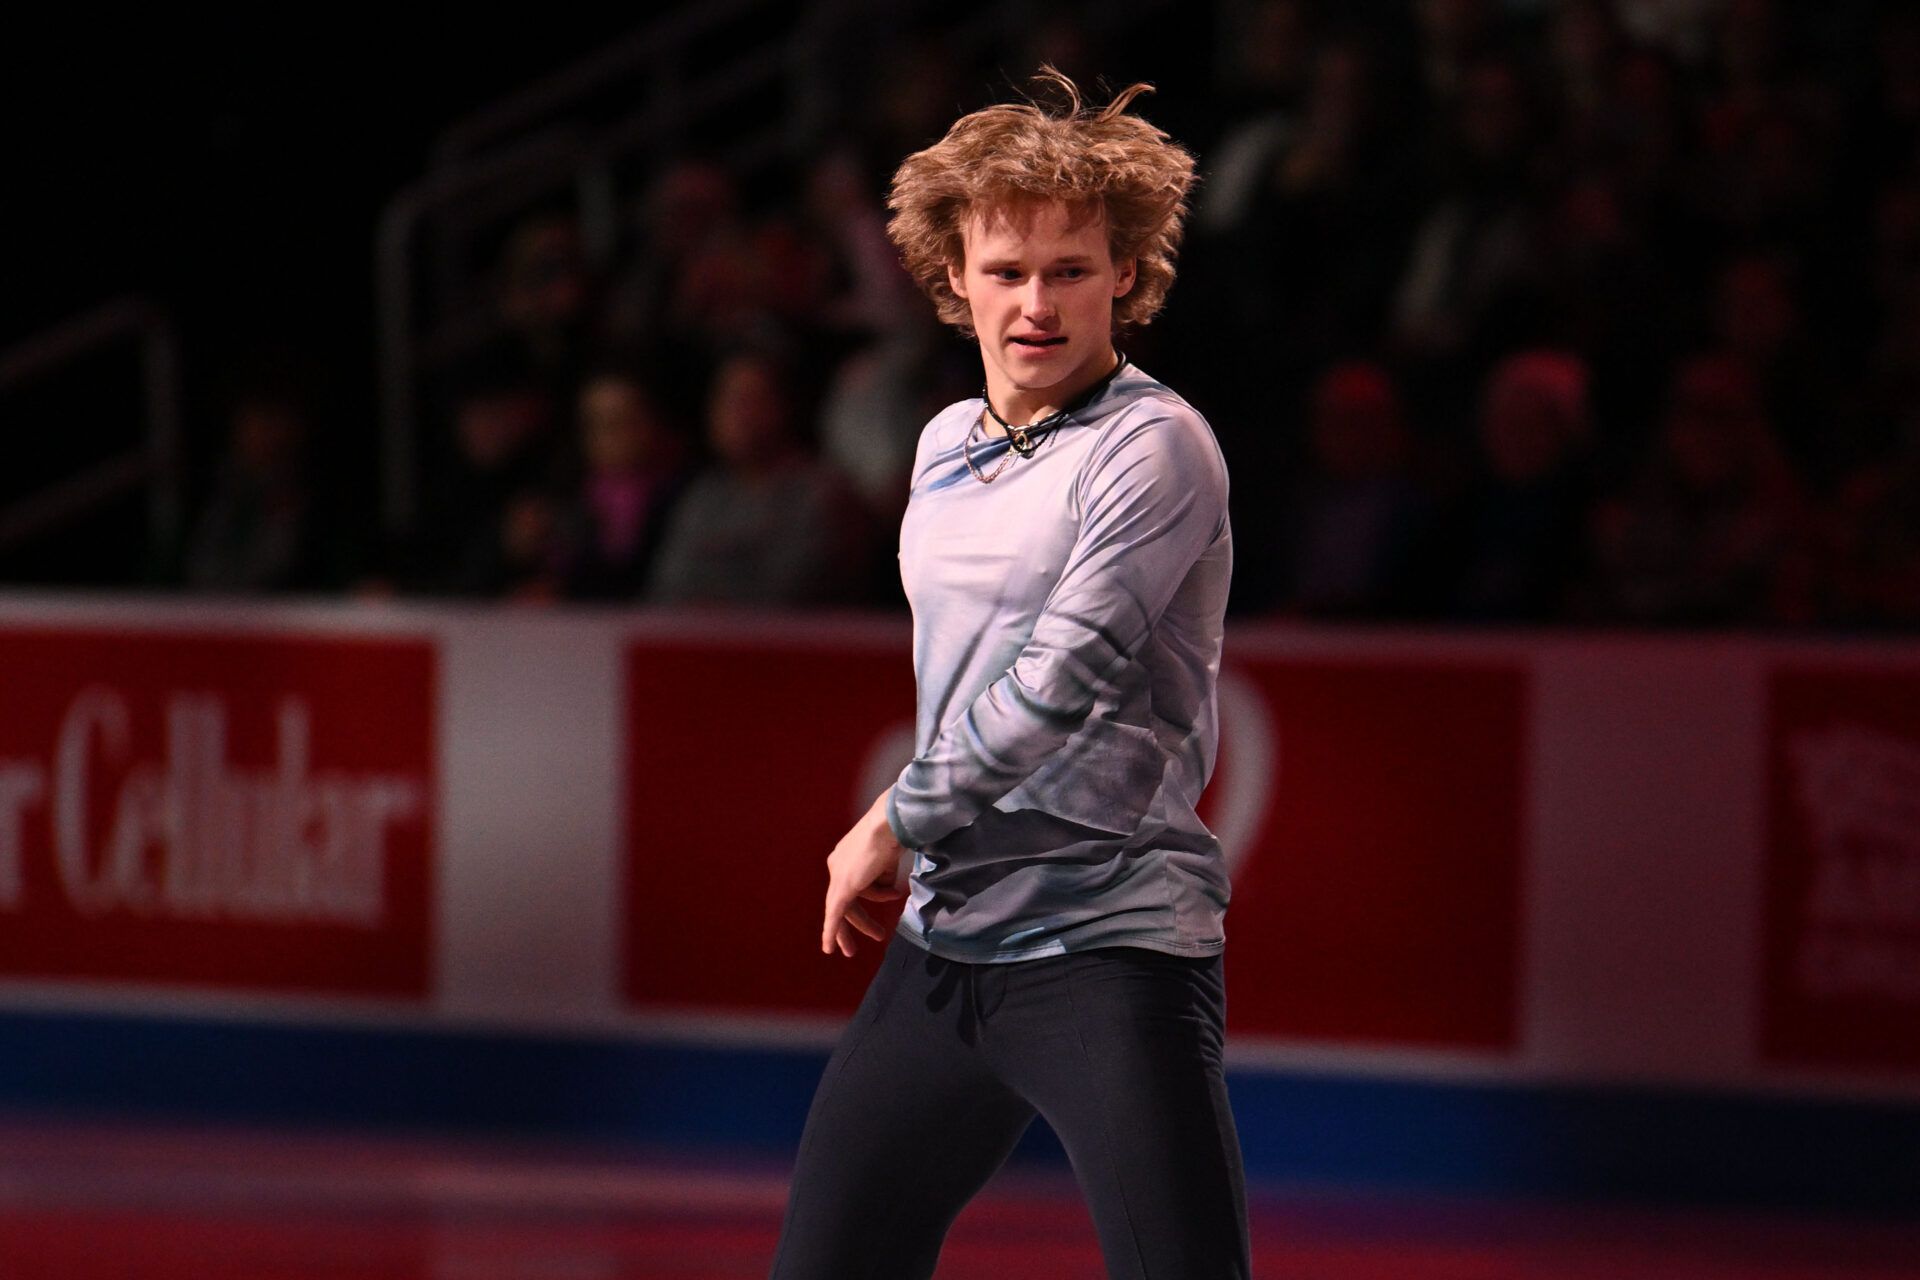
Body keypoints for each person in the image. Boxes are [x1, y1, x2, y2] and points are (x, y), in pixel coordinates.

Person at [769, 69, 1251, 1279]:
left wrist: (894, 816)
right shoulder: (942, 447)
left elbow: (1062, 676)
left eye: (1069, 271)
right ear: (955, 281)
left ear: (1124, 279)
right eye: (1006, 271)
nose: (1036, 303)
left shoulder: (1158, 444)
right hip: (945, 949)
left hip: (1109, 949)